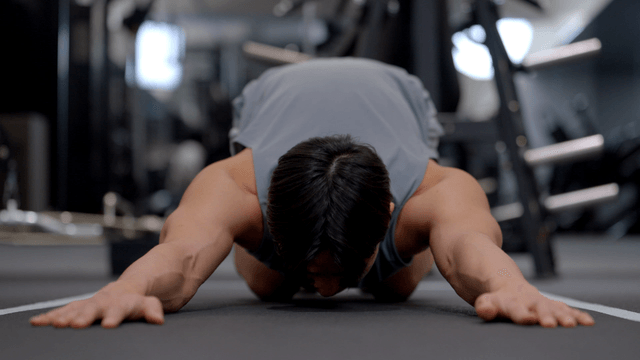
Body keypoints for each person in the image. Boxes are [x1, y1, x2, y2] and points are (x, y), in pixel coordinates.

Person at [30, 58, 594, 329]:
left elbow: (469, 245)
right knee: (270, 280)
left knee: (397, 284)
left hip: (396, 96)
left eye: (342, 273)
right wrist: (128, 288)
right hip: (274, 97)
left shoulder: (437, 191)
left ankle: (346, 258)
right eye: (316, 272)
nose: (326, 293)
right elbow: (181, 256)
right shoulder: (234, 186)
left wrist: (511, 287)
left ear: (391, 213)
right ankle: (318, 256)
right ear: (270, 215)